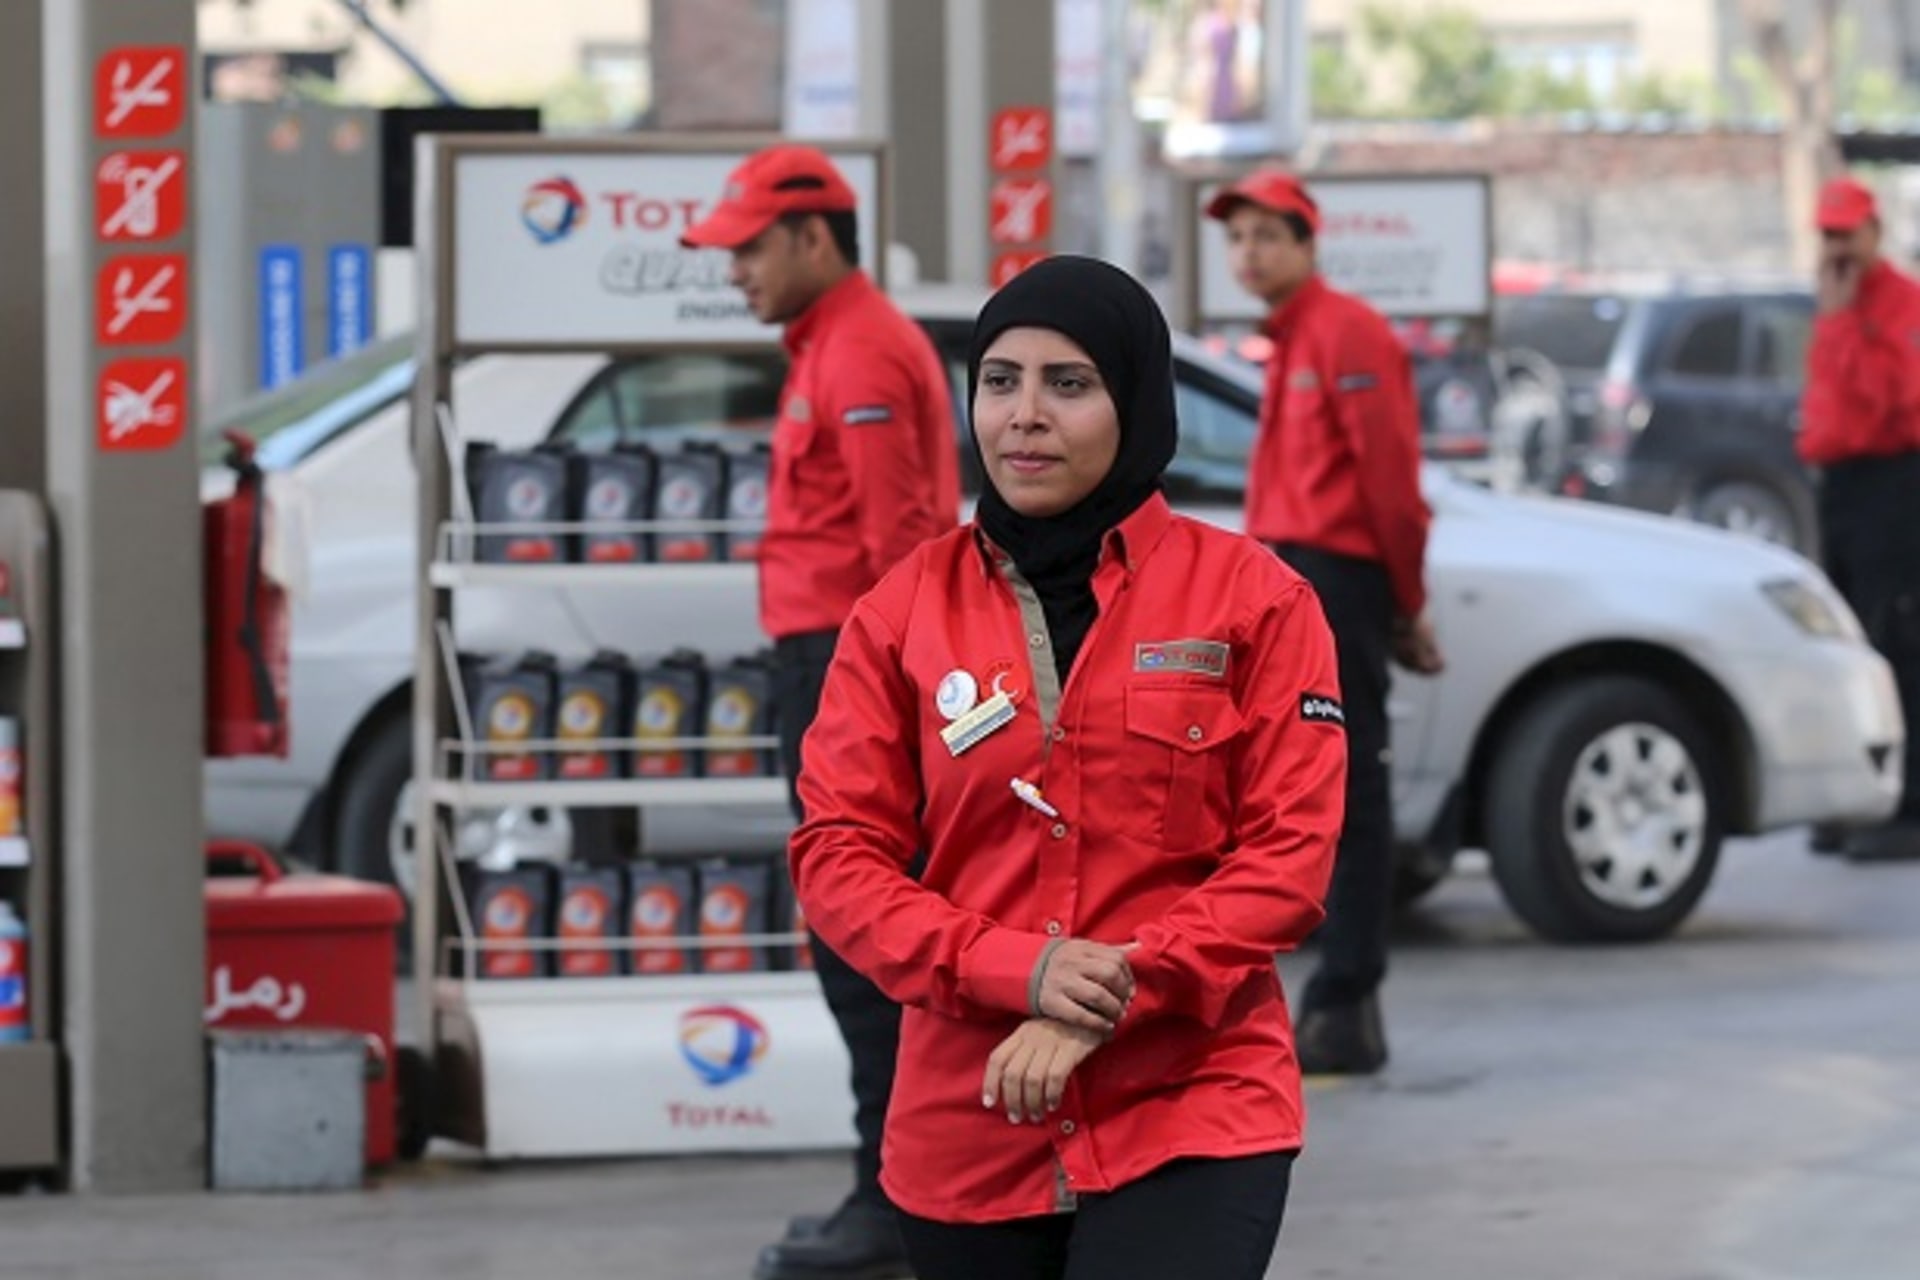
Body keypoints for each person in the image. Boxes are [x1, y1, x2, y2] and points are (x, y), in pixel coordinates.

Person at [788, 256, 1345, 1280]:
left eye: (1069, 383)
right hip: (969, 1116)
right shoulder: (900, 612)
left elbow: (1290, 859)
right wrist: (1018, 968)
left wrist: (1115, 987)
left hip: (1190, 1096)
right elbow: (837, 856)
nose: (1025, 415)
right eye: (1000, 381)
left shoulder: (1255, 599)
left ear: (1136, 400)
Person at [681, 143, 959, 1279]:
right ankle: (889, 1183)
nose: (733, 269)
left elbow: (902, 552)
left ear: (814, 237)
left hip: (850, 677)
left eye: (749, 247)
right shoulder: (826, 345)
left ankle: (900, 1199)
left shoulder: (861, 353)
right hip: (822, 667)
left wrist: (883, 721)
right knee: (850, 936)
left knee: (866, 938)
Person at [1206, 168, 1443, 1075]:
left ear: (1308, 244)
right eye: (1238, 238)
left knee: (1352, 789)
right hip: (1294, 580)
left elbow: (1390, 487)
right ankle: (1331, 996)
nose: (1249, 253)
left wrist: (1407, 605)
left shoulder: (1348, 333)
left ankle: (1348, 996)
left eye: (1268, 235)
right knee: (1298, 785)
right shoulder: (1292, 338)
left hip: (1340, 581)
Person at [1799, 175, 1920, 862]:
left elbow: (1891, 399)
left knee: (1898, 638)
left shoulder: (1898, 304)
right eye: (1827, 235)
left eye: (1847, 234)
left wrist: (1847, 320)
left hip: (1894, 484)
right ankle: (1855, 794)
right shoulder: (1834, 307)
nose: (1837, 248)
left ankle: (1909, 802)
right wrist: (1836, 316)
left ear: (1874, 233)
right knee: (1846, 642)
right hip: (1842, 486)